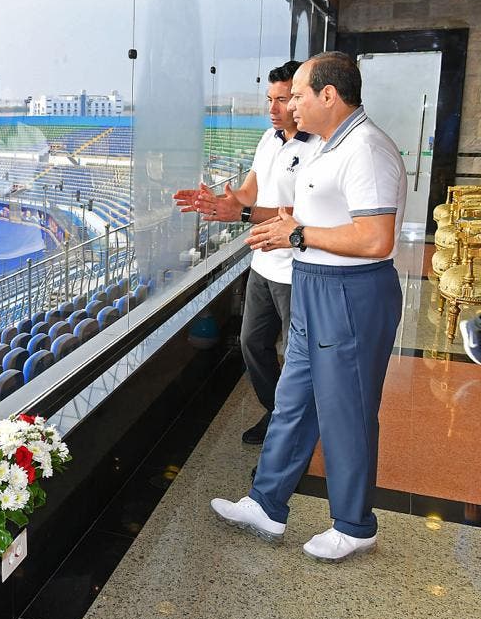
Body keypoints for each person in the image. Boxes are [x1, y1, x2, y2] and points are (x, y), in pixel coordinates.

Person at [211, 51, 406, 562]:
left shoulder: (365, 148)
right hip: (316, 284)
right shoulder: (325, 146)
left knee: (346, 409)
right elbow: (307, 213)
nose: (290, 103)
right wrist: (249, 213)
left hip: (351, 292)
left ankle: (354, 524)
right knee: (294, 402)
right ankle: (267, 503)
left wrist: (297, 233)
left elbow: (375, 238)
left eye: (297, 94)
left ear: (328, 95)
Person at [174, 60, 320, 445]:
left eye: (282, 99)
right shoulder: (269, 139)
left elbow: (303, 215)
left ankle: (292, 433)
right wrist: (219, 202)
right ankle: (276, 414)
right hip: (264, 262)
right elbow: (249, 193)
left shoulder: (319, 147)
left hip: (297, 268)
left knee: (294, 357)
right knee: (251, 343)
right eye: (269, 99)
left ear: (302, 99)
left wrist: (239, 212)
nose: (272, 108)